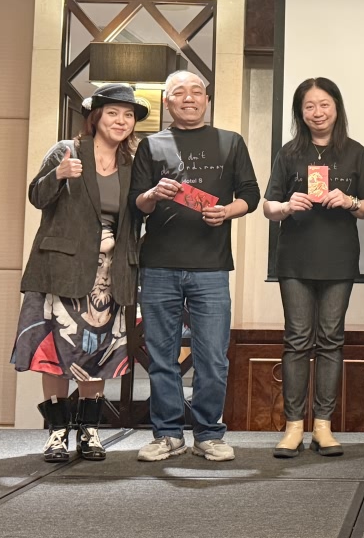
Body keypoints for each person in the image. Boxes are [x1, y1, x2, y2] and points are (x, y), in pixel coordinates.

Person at [129, 71, 260, 463]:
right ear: (167, 101)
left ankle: (208, 434)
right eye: (180, 93)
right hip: (159, 265)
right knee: (161, 357)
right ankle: (168, 434)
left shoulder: (230, 141)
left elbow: (251, 194)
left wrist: (228, 211)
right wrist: (152, 193)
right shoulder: (151, 144)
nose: (189, 98)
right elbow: (136, 203)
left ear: (207, 99)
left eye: (197, 92)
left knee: (212, 358)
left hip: (211, 267)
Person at [13, 84, 146, 462]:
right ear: (96, 116)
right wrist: (57, 174)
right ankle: (57, 433)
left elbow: (137, 215)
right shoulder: (66, 150)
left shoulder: (132, 162)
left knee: (98, 352)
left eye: (128, 115)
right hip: (62, 267)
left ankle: (89, 431)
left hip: (108, 272)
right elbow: (37, 196)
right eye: (113, 113)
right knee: (55, 351)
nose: (121, 121)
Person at [263, 78, 364, 458]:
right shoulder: (290, 152)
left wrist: (350, 200)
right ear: (300, 112)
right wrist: (287, 206)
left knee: (330, 340)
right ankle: (294, 426)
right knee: (296, 340)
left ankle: (323, 426)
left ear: (336, 107)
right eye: (309, 106)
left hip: (339, 260)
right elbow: (268, 206)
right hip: (295, 260)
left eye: (324, 104)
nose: (317, 112)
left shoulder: (356, 153)